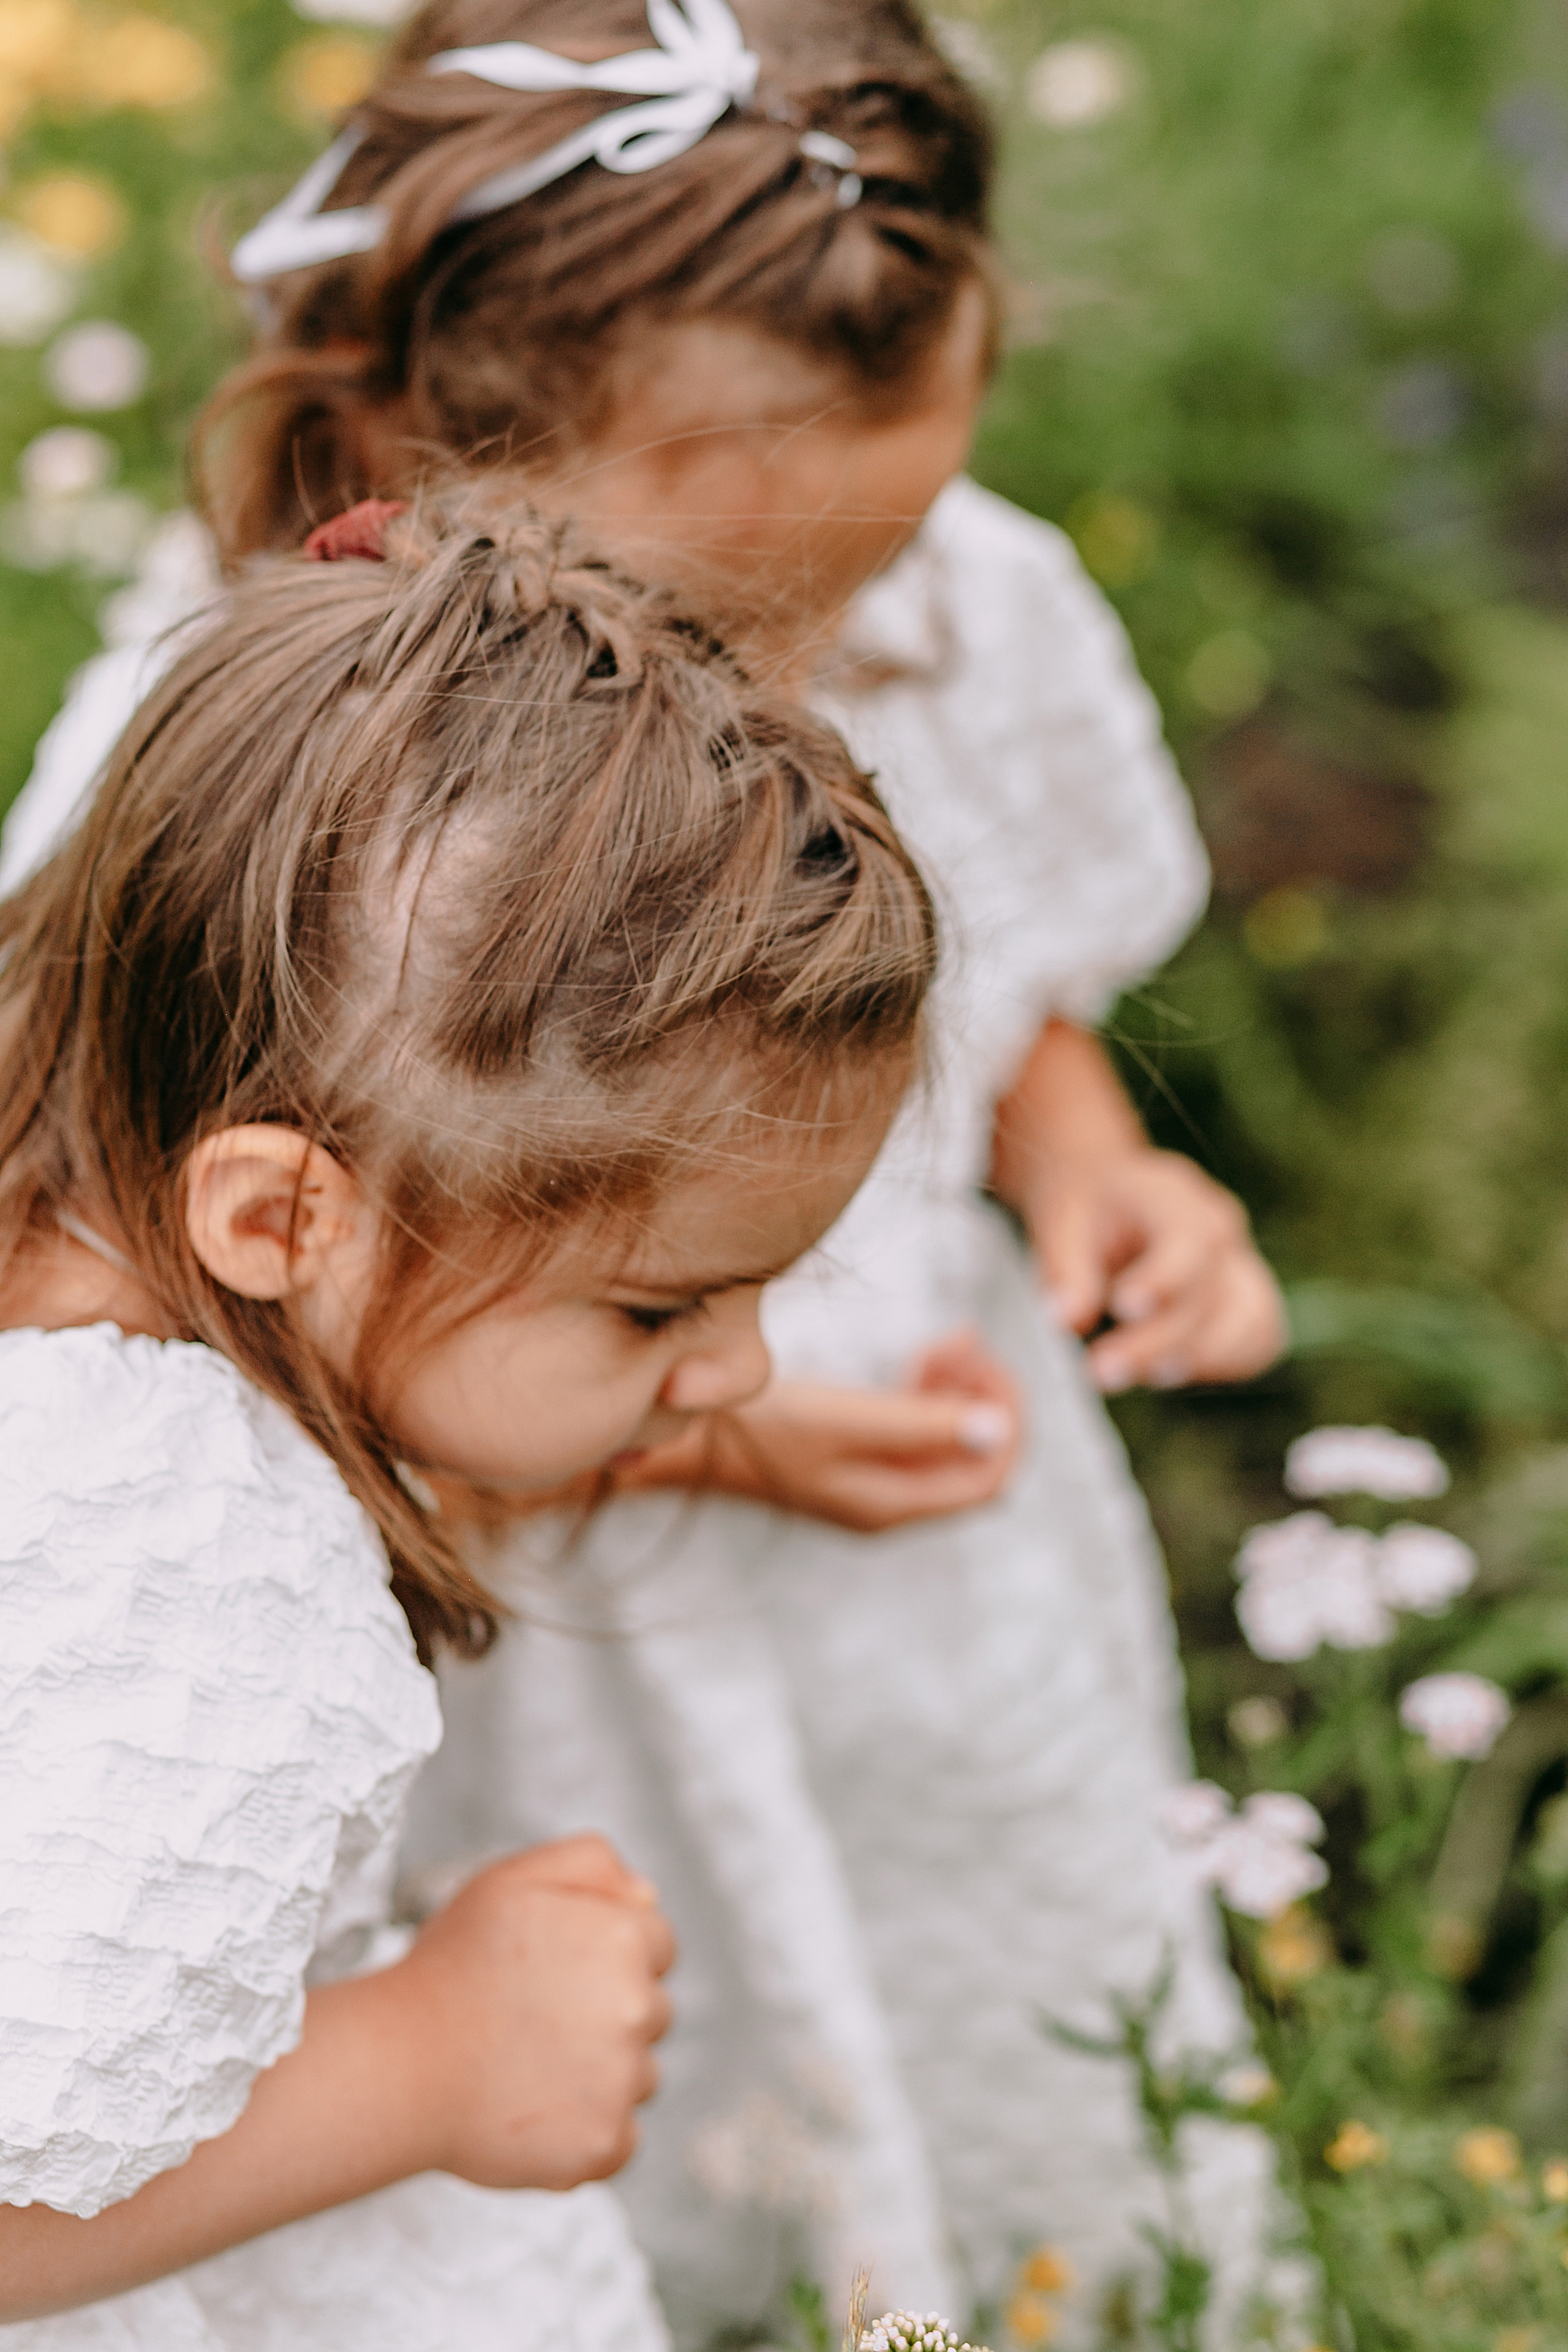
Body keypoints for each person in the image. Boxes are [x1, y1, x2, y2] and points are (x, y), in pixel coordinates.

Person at [1, 1, 1292, 2337]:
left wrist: (1091, 1157)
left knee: (976, 1967)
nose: (812, 663)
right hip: (548, 1585)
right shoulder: (275, 799)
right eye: (730, 611)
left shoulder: (952, 607)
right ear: (459, 463)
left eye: (865, 577)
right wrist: (432, 2056)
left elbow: (1017, 981)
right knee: (676, 2054)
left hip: (891, 1548)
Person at [0, 489, 940, 2350]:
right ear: (277, 1219)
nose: (739, 1366)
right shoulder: (213, 1578)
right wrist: (436, 2057)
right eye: (663, 1305)